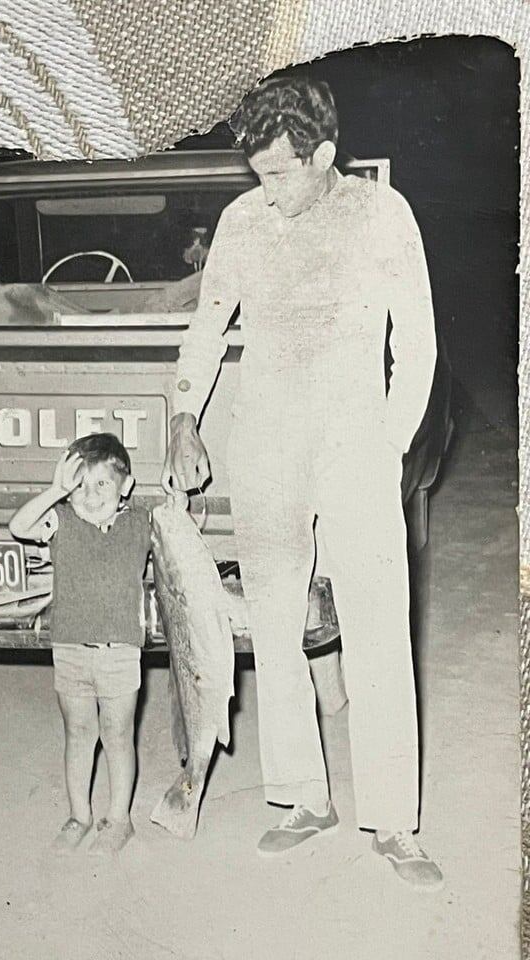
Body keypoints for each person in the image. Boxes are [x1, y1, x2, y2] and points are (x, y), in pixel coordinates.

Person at [162, 72, 444, 890]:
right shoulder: (243, 221)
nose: (266, 189)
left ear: (323, 155)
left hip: (354, 442)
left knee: (378, 629)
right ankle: (300, 799)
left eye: (280, 172)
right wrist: (183, 417)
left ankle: (393, 819)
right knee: (275, 626)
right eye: (256, 173)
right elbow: (207, 328)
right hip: (269, 446)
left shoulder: (381, 214)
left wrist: (384, 449)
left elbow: (416, 346)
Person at [10, 433, 151, 855]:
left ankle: (120, 819)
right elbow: (18, 527)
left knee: (118, 735)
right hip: (70, 651)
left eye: (102, 485)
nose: (90, 496)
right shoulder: (61, 521)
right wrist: (56, 491)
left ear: (125, 486)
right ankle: (79, 815)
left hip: (120, 653)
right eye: (81, 486)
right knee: (77, 734)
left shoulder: (139, 523)